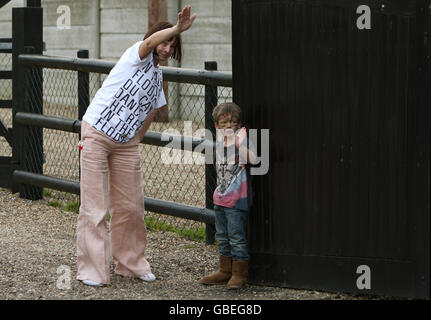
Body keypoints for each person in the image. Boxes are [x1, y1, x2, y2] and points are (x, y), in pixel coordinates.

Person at [76, 6, 196, 287]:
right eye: (165, 42)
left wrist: (137, 138)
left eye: (173, 45)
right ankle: (93, 271)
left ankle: (131, 264)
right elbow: (150, 43)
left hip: (126, 144)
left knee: (131, 207)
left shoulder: (157, 76)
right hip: (96, 132)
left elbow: (152, 110)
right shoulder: (136, 55)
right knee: (94, 207)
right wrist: (176, 29)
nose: (167, 48)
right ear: (155, 40)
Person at [200, 102, 257, 289]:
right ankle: (224, 270)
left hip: (237, 200)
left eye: (232, 123)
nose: (228, 127)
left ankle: (239, 274)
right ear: (216, 126)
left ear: (239, 124)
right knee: (222, 235)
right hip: (221, 198)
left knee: (236, 236)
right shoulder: (219, 144)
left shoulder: (242, 141)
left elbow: (254, 159)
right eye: (223, 123)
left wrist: (240, 144)